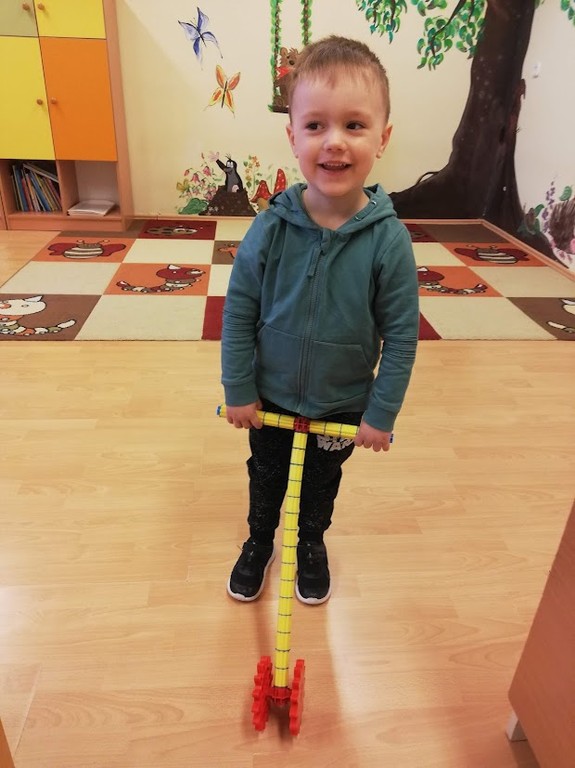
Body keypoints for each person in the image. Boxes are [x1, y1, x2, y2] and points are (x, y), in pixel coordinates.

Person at [221, 35, 419, 605]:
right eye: (315, 126)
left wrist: (381, 413)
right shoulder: (270, 227)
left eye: (354, 125)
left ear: (382, 138)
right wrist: (238, 388)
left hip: (341, 404)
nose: (334, 141)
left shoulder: (389, 242)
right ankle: (260, 541)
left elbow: (402, 337)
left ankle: (310, 543)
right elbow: (239, 312)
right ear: (293, 136)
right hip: (271, 397)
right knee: (266, 478)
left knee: (319, 487)